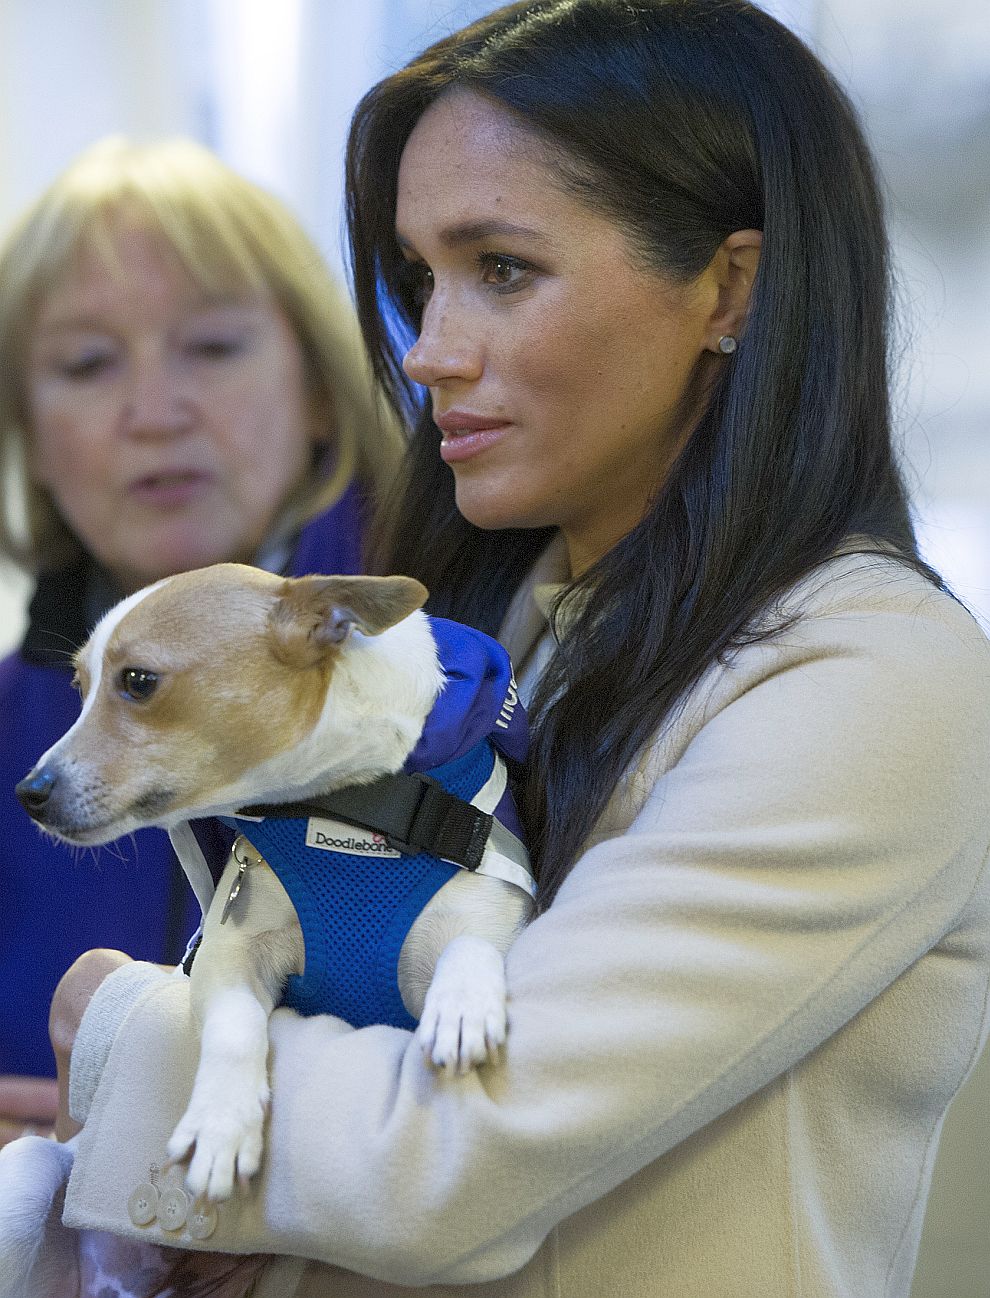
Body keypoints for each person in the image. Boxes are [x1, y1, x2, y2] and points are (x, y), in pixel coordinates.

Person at [19, 1, 990, 1294]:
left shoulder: (876, 681)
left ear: (729, 288)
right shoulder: (488, 638)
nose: (427, 349)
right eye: (419, 279)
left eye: (503, 271)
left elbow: (451, 1150)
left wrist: (126, 1035)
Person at [0, 136, 402, 1140]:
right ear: (32, 436)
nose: (153, 411)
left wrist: (112, 1137)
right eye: (88, 364)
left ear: (320, 387)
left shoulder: (466, 683)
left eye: (213, 346)